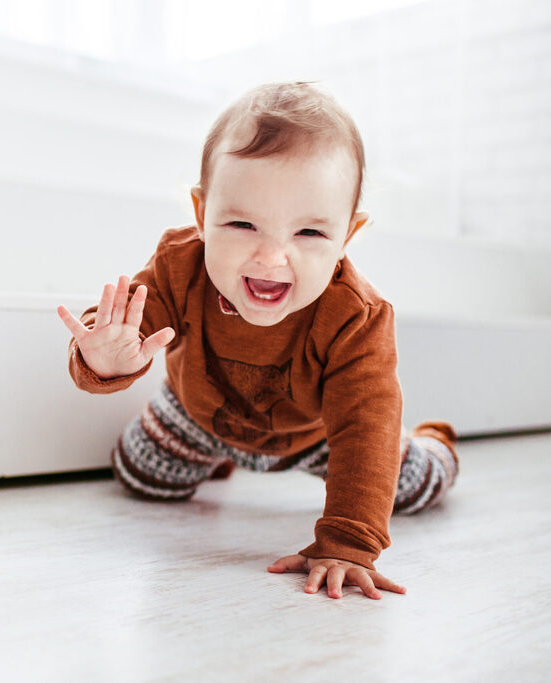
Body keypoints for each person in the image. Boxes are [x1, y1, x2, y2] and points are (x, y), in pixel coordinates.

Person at [56, 81, 459, 600]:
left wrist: (346, 542)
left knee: (408, 487)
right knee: (141, 477)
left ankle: (435, 445)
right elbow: (130, 321)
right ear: (202, 216)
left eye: (309, 234)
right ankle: (218, 458)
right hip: (196, 415)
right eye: (243, 224)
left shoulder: (356, 317)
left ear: (347, 237)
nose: (271, 258)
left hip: (315, 435)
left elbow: (364, 427)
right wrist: (105, 356)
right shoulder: (179, 266)